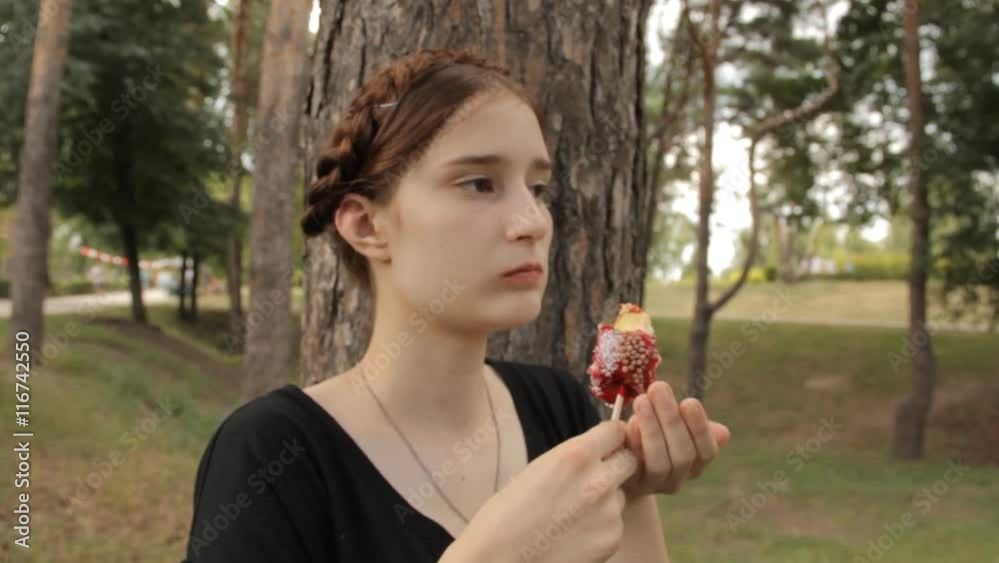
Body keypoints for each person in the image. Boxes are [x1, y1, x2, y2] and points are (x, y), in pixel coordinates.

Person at [182, 48, 731, 563]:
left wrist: (632, 492)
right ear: (368, 225)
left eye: (537, 189)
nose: (533, 222)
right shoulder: (274, 454)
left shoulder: (559, 408)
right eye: (478, 183)